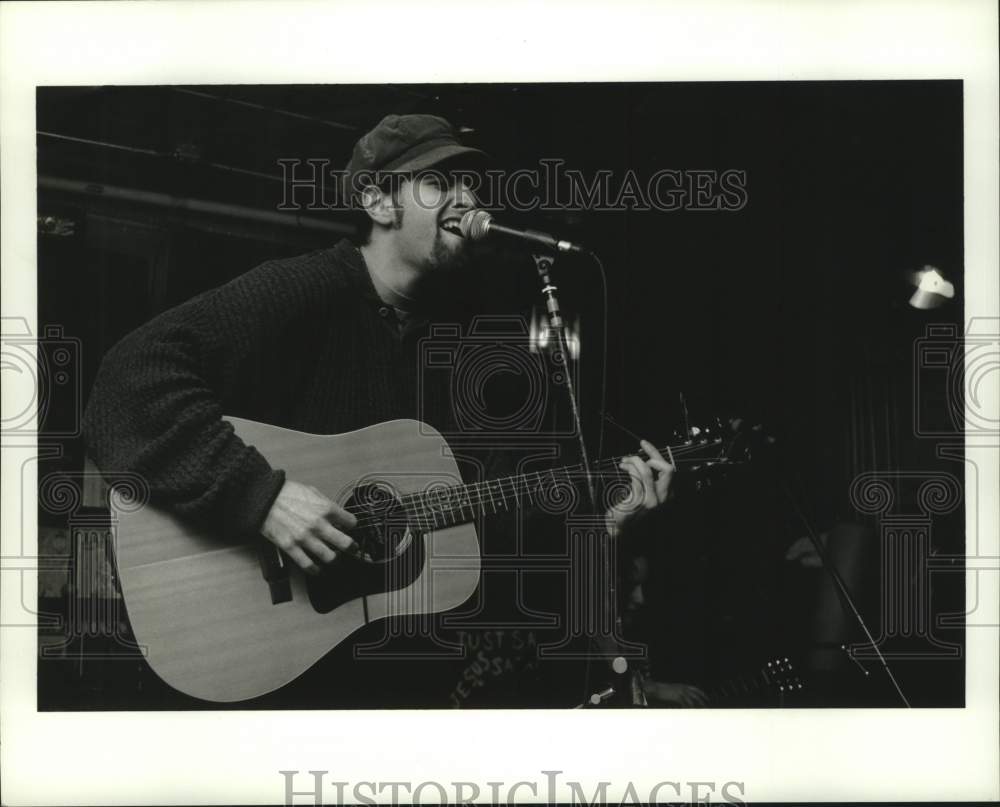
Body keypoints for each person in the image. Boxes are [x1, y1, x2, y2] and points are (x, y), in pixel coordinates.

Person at [82, 113, 674, 702]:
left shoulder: (469, 345)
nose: (468, 200)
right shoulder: (302, 290)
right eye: (439, 182)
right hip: (270, 674)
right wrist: (261, 497)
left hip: (396, 686)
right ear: (378, 202)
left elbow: (484, 531)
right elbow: (128, 379)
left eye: (471, 185)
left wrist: (601, 526)